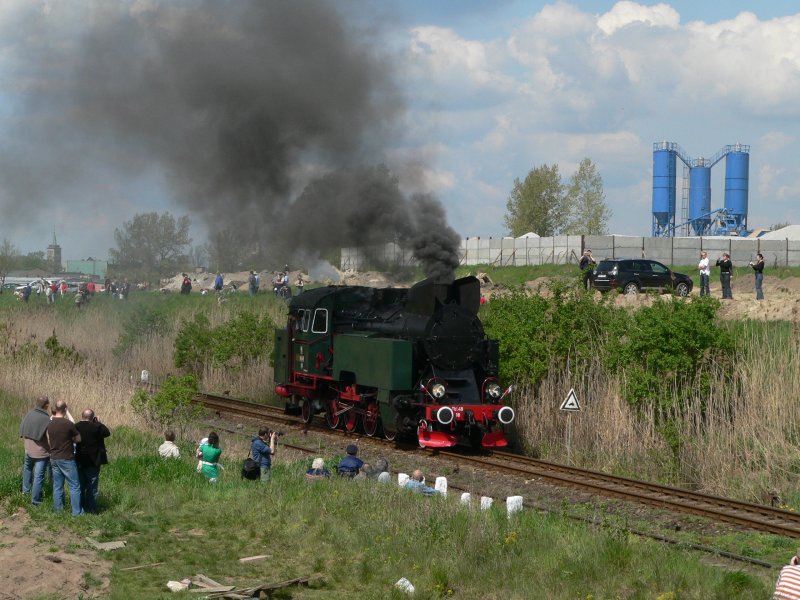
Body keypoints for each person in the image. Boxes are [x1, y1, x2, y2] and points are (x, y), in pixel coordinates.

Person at [46, 401, 82, 516]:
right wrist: (70, 439)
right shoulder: (68, 424)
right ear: (65, 409)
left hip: (54, 457)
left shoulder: (49, 423)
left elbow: (48, 440)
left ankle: (58, 511)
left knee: (57, 486)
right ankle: (76, 512)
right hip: (67, 458)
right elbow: (78, 439)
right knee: (74, 485)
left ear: (55, 409)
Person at [75, 409, 111, 514]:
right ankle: (91, 509)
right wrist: (99, 422)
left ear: (82, 416)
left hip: (80, 460)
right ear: (92, 417)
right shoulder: (97, 427)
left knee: (80, 486)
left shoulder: (76, 426)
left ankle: (80, 508)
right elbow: (107, 432)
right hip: (94, 461)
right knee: (92, 486)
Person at [19, 396, 51, 506]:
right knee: (38, 477)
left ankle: (25, 492)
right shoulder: (46, 419)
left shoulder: (29, 414)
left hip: (28, 450)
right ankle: (36, 501)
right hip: (41, 454)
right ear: (46, 405)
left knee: (27, 470)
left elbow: (22, 429)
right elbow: (49, 439)